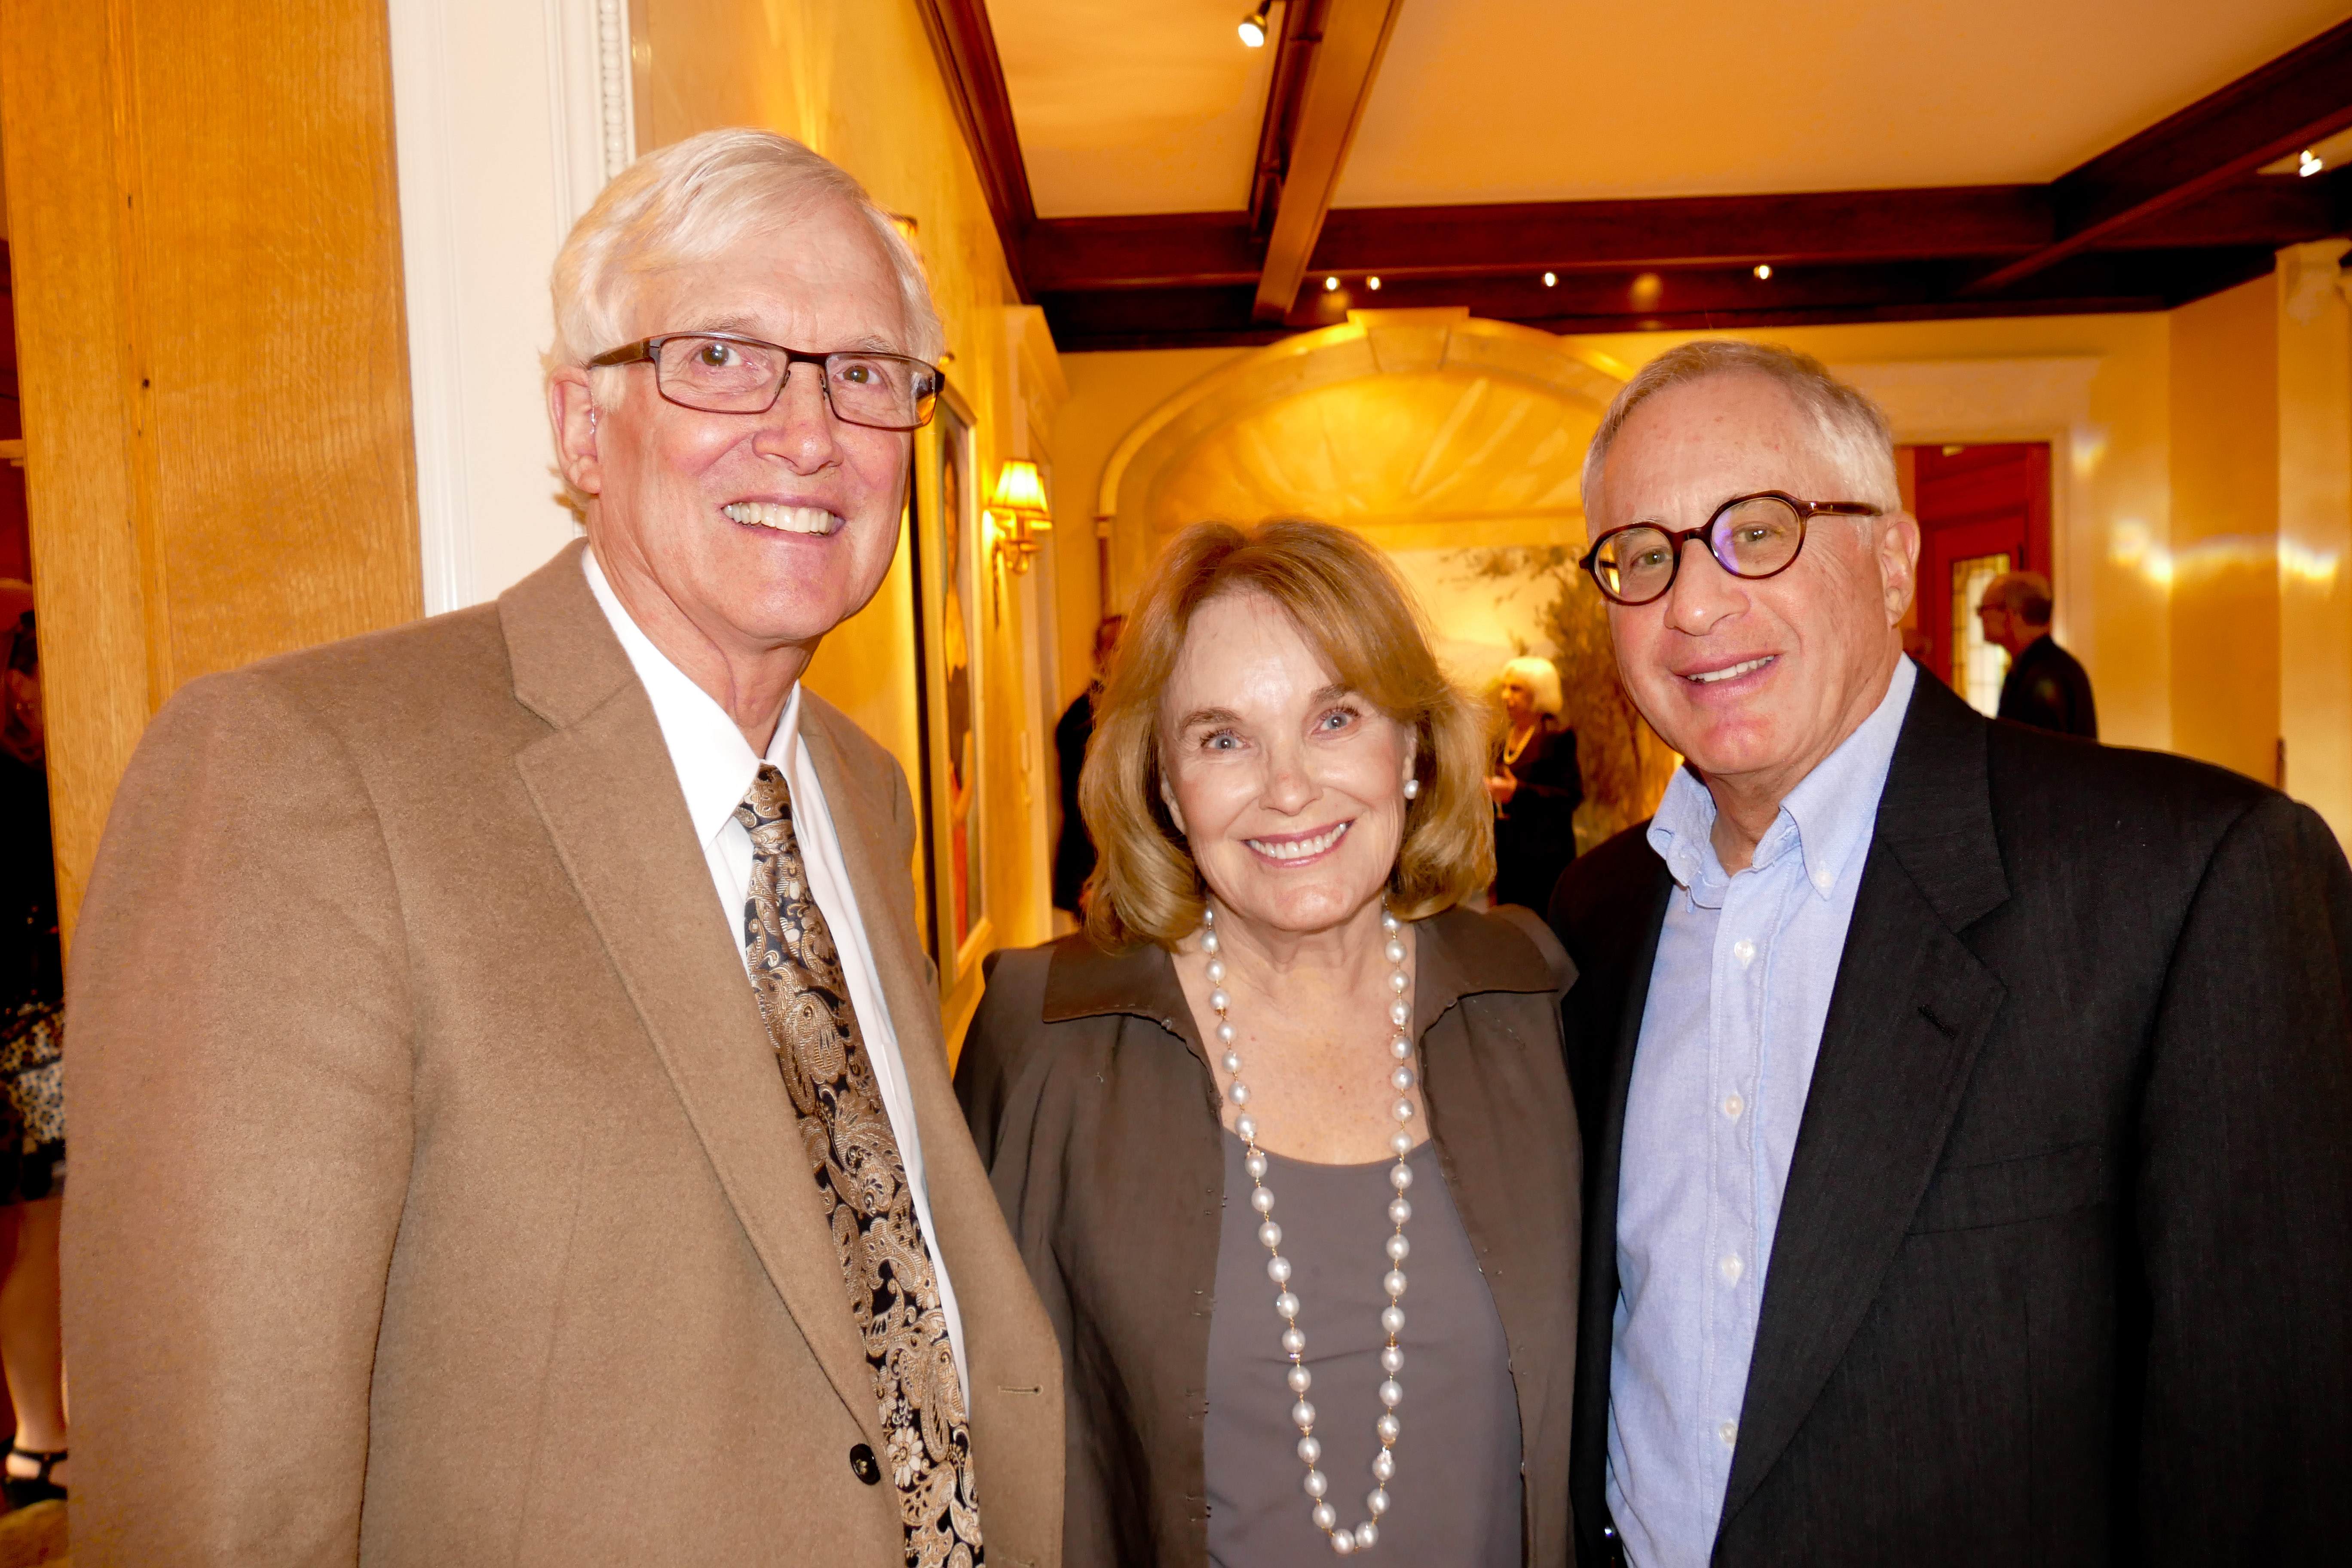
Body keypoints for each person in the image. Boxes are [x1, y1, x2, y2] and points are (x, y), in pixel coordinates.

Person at [63, 130, 1061, 1565]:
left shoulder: (861, 788)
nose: (808, 430)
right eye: (721, 356)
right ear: (580, 428)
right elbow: (221, 1496)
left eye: (862, 372)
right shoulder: (305, 772)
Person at [1548, 339, 2352, 1567]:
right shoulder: (1597, 920)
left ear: (1891, 560)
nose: (1694, 605)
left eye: (1754, 531)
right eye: (1643, 557)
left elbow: (2276, 1454)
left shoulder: (2192, 884)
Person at [959, 520, 1583, 1568]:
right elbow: (954, 1425)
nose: (1287, 788)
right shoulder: (1047, 1041)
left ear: (1412, 746)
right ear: (1164, 784)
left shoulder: (1531, 998)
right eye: (1221, 738)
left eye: (1333, 717)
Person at [0, 590, 66, 1511]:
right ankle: (40, 1438)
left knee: (43, 1236)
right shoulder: (21, 782)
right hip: (31, 1037)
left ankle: (40, 1439)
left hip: (39, 1032)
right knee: (38, 1236)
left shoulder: (44, 768)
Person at [1484, 655, 1582, 910]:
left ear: (1539, 693)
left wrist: (1519, 792)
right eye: (1505, 688)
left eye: (1516, 689)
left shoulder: (1556, 736)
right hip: (1508, 857)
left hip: (1544, 862)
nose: (1506, 696)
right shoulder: (1502, 735)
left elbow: (1571, 796)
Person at [1051, 614, 1124, 916]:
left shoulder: (1126, 707)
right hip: (1092, 871)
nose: (1126, 657)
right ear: (1099, 657)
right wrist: (1095, 878)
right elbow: (1090, 804)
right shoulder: (1083, 717)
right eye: (1117, 648)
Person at [1975, 570, 2096, 737]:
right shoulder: (2056, 665)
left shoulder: (2042, 677)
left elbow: (2041, 756)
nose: (1980, 616)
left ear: (2010, 615)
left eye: (1984, 609)